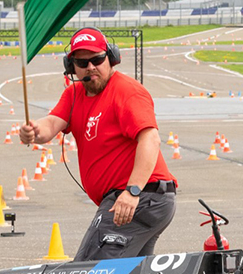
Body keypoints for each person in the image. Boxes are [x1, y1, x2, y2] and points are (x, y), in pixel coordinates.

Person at [19, 28, 177, 260]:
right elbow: (52, 123)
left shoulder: (127, 91)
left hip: (139, 197)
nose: (90, 67)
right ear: (71, 67)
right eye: (82, 62)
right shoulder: (74, 95)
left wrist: (132, 191)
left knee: (88, 272)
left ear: (110, 58)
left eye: (97, 59)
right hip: (140, 199)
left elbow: (150, 138)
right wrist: (33, 131)